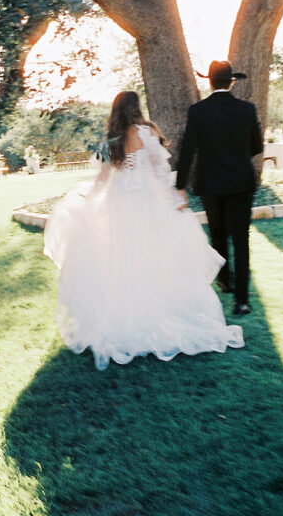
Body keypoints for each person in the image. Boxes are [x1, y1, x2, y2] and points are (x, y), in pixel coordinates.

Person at [44, 91, 244, 370]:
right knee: (152, 254)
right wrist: (176, 195)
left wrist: (87, 202)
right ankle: (155, 308)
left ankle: (126, 311)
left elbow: (102, 180)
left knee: (123, 257)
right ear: (136, 107)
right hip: (145, 202)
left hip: (119, 202)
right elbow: (160, 170)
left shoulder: (110, 140)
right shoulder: (146, 132)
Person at [175, 60, 264, 316]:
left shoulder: (198, 111)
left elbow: (188, 150)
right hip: (241, 182)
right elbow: (257, 146)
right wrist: (237, 156)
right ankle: (242, 300)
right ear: (232, 82)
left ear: (210, 82)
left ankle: (225, 281)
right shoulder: (247, 109)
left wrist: (180, 185)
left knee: (218, 235)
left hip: (210, 182)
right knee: (241, 240)